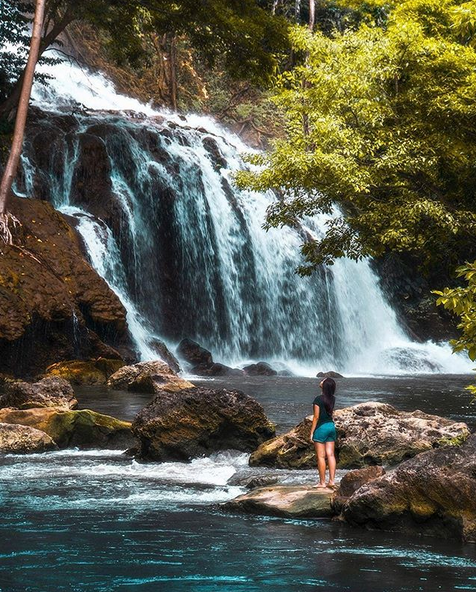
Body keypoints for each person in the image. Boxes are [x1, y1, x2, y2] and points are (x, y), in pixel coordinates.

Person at [309, 377, 337, 488]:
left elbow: (316, 417)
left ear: (324, 385)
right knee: (330, 454)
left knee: (321, 456)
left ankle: (322, 483)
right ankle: (332, 481)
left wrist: (311, 432)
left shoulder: (318, 399)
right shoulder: (333, 399)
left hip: (321, 428)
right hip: (331, 427)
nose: (320, 381)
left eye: (323, 380)